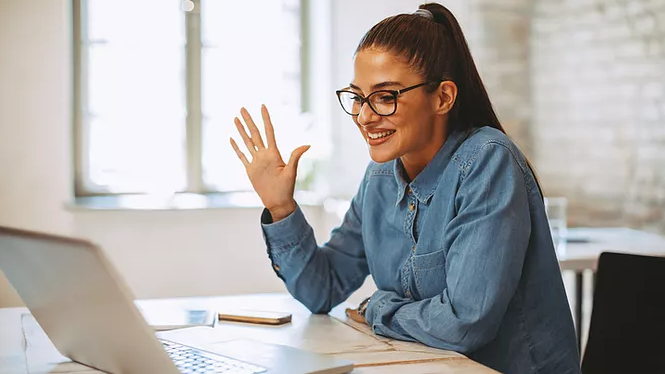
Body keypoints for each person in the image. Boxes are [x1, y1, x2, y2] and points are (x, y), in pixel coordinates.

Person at [230, 3, 580, 374]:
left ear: (443, 97)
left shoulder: (487, 162)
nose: (365, 116)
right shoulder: (379, 179)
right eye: (358, 97)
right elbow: (323, 289)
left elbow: (465, 322)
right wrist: (281, 208)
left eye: (386, 96)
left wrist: (378, 308)